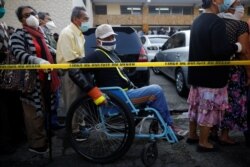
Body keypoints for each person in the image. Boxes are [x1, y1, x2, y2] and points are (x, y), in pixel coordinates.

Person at [68, 24, 184, 140]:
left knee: (152, 93)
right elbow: (74, 70)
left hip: (125, 94)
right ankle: (169, 128)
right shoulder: (97, 55)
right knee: (156, 91)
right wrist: (93, 91)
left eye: (112, 37)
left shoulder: (111, 54)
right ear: (98, 42)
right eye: (107, 38)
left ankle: (165, 126)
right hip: (118, 98)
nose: (111, 40)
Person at [187, 0, 243, 152]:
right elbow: (220, 50)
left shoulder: (197, 20)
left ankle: (192, 135)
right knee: (207, 109)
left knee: (195, 107)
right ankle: (204, 142)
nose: (224, 2)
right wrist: (237, 47)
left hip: (196, 74)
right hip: (211, 77)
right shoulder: (217, 22)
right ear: (214, 1)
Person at [10, 5, 60, 154]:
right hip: (31, 81)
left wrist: (58, 54)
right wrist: (37, 61)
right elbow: (18, 53)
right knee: (33, 114)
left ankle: (44, 137)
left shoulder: (41, 33)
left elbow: (47, 50)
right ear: (21, 20)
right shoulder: (19, 34)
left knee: (45, 110)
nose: (31, 16)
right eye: (26, 15)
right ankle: (37, 144)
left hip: (47, 77)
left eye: (33, 13)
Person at [217, 0, 249, 145]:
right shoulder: (240, 25)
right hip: (234, 71)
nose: (241, 7)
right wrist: (249, 72)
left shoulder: (216, 22)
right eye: (238, 4)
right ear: (230, 7)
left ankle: (212, 132)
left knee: (216, 101)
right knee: (232, 102)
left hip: (216, 69)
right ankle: (224, 134)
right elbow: (244, 53)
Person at [0, 0, 25, 155]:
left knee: (12, 107)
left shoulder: (3, 24)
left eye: (2, 5)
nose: (2, 8)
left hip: (7, 76)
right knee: (2, 113)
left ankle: (16, 137)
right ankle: (4, 144)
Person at [56, 6, 89, 118]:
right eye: (85, 18)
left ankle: (79, 126)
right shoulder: (67, 33)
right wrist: (88, 61)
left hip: (78, 72)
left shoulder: (79, 34)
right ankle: (73, 131)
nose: (87, 22)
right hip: (69, 74)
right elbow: (71, 57)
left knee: (80, 102)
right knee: (72, 103)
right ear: (75, 19)